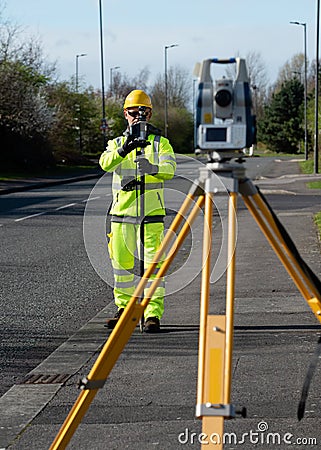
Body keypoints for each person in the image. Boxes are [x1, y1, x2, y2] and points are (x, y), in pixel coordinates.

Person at [99, 89, 176, 333]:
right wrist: (125, 149)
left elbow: (170, 168)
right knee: (121, 265)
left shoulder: (159, 143)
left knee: (154, 264)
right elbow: (105, 163)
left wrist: (152, 167)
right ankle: (124, 310)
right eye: (132, 112)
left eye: (141, 112)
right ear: (125, 114)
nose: (137, 116)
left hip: (151, 214)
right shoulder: (117, 143)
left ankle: (153, 313)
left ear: (149, 114)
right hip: (122, 213)